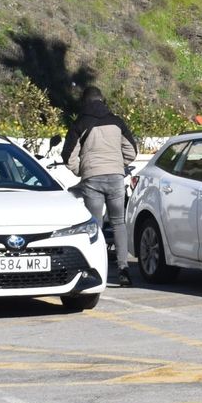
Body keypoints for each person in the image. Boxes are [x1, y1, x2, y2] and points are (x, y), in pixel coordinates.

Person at [63, 86, 139, 286]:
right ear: (102, 100)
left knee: (94, 224)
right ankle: (124, 269)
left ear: (85, 102)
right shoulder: (116, 121)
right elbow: (131, 151)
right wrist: (117, 165)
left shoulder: (80, 123)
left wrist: (82, 170)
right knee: (118, 223)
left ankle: (97, 269)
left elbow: (68, 155)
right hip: (115, 178)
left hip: (92, 179)